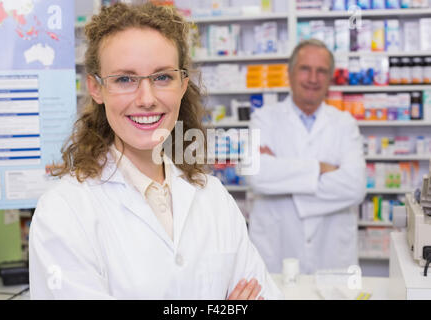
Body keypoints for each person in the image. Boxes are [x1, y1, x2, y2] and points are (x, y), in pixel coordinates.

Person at [28, 2, 282, 300]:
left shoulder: (212, 197)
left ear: (183, 84)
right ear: (96, 88)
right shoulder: (64, 212)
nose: (147, 99)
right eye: (125, 79)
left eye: (162, 77)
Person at [247, 39, 366, 274]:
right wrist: (321, 167)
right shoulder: (263, 118)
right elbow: (257, 175)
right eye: (305, 69)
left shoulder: (345, 124)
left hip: (331, 258)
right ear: (290, 74)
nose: (313, 78)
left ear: (330, 78)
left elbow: (355, 187)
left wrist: (284, 176)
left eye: (321, 71)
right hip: (277, 255)